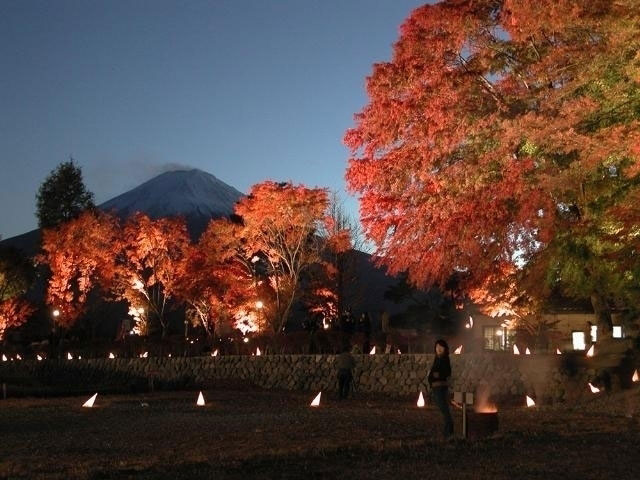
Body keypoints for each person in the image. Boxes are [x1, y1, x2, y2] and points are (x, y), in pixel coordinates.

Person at [428, 339, 454, 437]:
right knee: (444, 409)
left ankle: (449, 429)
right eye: (437, 347)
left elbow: (445, 373)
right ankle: (448, 429)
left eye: (441, 347)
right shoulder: (437, 359)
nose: (438, 349)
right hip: (436, 387)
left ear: (445, 348)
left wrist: (434, 375)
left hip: (440, 388)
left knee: (444, 409)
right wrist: (432, 376)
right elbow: (433, 374)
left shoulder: (444, 359)